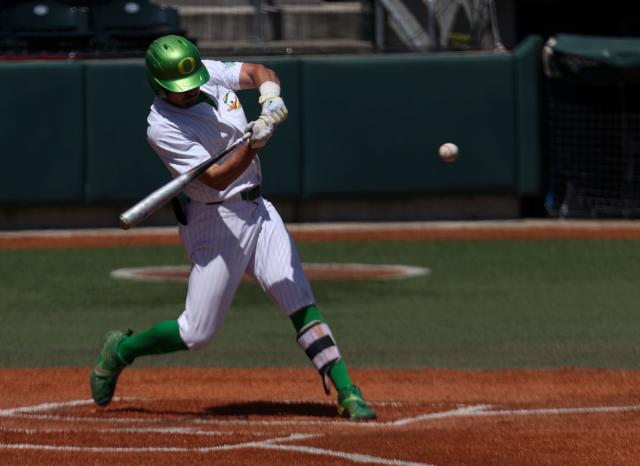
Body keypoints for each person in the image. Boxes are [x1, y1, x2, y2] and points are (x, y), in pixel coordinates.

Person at [89, 35, 376, 421]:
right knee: (197, 333)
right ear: (159, 86)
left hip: (258, 209)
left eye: (192, 85)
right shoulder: (162, 128)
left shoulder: (205, 75)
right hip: (215, 221)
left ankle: (346, 390)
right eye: (180, 90)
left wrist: (270, 97)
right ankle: (122, 350)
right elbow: (218, 178)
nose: (190, 93)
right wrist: (254, 145)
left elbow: (260, 72)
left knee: (293, 292)